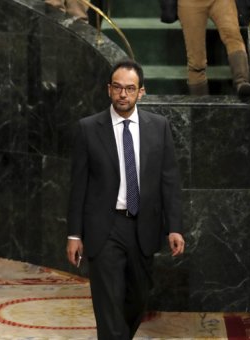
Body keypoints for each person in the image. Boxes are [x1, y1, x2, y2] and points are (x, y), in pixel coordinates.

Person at [66, 60, 185, 339]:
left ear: (141, 92)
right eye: (117, 87)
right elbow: (77, 187)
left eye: (130, 89)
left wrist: (175, 226)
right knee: (108, 303)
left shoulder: (159, 127)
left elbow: (170, 181)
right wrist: (74, 234)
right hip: (104, 227)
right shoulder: (88, 128)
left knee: (137, 298)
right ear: (109, 89)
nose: (123, 94)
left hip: (144, 226)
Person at [178, 0, 250, 97]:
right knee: (196, 61)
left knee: (233, 36)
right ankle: (200, 104)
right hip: (189, 3)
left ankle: (242, 82)